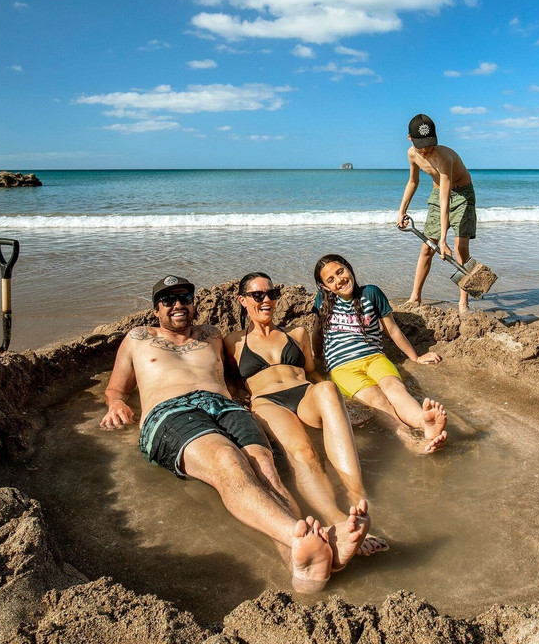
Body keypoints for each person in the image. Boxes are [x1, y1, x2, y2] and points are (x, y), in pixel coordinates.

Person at [99, 274, 369, 593]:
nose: (178, 304)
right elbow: (115, 389)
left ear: (194, 303)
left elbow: (242, 375)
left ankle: (305, 570)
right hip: (171, 410)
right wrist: (116, 404)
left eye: (185, 298)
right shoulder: (138, 338)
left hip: (225, 407)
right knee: (227, 459)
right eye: (168, 300)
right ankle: (301, 538)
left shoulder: (212, 335)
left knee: (268, 472)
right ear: (156, 308)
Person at [225, 272, 387, 556]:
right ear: (243, 300)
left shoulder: (296, 334)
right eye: (258, 295)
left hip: (303, 394)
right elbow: (230, 381)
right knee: (303, 451)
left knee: (326, 388)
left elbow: (312, 372)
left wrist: (341, 402)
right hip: (267, 402)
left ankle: (357, 494)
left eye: (272, 294)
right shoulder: (233, 342)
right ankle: (335, 517)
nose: (267, 300)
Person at [313, 254, 448, 454]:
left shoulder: (371, 293)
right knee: (376, 400)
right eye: (330, 279)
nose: (339, 280)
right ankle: (409, 440)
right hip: (342, 367)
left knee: (395, 388)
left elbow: (392, 330)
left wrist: (416, 357)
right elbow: (317, 332)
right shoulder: (322, 301)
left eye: (340, 272)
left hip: (374, 358)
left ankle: (424, 421)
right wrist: (316, 359)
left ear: (348, 268)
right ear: (324, 287)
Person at [397, 113, 477, 315]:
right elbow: (413, 182)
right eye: (420, 146)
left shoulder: (443, 158)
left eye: (429, 145)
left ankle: (463, 303)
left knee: (460, 247)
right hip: (437, 192)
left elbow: (445, 200)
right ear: (410, 139)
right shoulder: (412, 154)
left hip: (462, 194)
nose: (425, 150)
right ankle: (415, 297)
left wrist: (443, 240)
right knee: (427, 248)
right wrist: (402, 210)